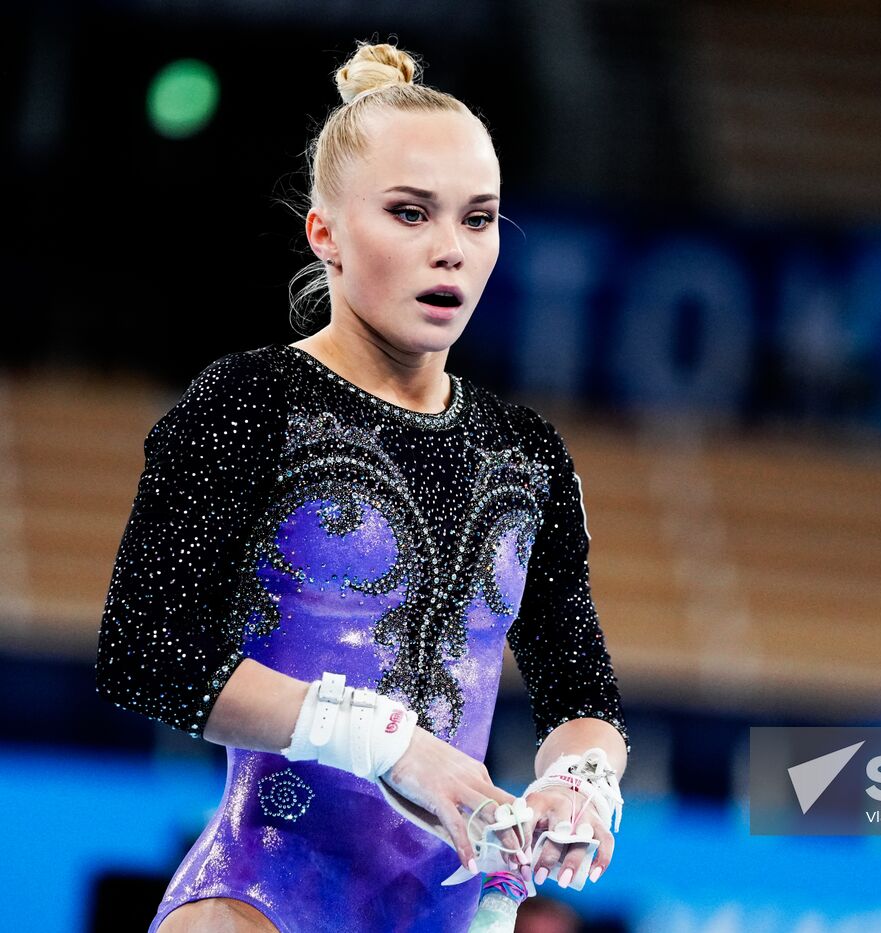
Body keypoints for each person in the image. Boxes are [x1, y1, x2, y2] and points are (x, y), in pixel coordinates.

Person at [94, 39, 630, 932]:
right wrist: (385, 741)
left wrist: (579, 783)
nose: (451, 251)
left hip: (452, 906)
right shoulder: (251, 402)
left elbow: (582, 694)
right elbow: (146, 650)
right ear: (326, 232)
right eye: (411, 214)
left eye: (479, 218)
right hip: (262, 890)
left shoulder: (526, 452)